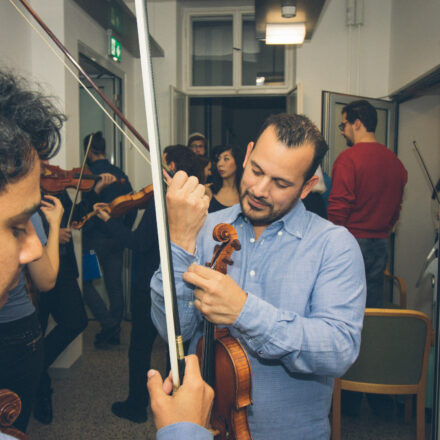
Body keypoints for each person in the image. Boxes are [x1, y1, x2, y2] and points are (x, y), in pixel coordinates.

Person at [151, 113, 366, 439]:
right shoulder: (205, 226)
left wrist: (244, 311)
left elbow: (339, 349)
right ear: (248, 153)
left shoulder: (334, 246)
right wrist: (179, 244)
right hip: (205, 427)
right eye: (256, 170)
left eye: (281, 183)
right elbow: (176, 333)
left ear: (307, 186)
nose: (260, 190)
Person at [92, 146, 204, 423]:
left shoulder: (163, 201)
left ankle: (136, 405)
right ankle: (177, 406)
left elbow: (139, 243)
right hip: (183, 282)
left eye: (164, 164)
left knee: (140, 345)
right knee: (176, 346)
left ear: (173, 165)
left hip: (151, 282)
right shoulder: (197, 197)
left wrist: (109, 222)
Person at [0, 70, 65, 432]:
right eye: (14, 227)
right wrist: (52, 227)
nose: (28, 251)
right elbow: (47, 279)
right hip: (18, 334)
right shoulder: (37, 216)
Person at [33, 165, 116, 425]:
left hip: (64, 270)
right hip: (34, 274)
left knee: (76, 320)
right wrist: (51, 238)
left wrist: (94, 195)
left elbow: (73, 218)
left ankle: (34, 366)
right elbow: (19, 232)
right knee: (35, 331)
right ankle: (41, 393)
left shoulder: (57, 189)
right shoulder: (22, 192)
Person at [328, 100, 408, 308]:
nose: (342, 131)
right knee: (373, 305)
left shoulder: (348, 159)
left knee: (345, 303)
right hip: (381, 242)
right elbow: (395, 209)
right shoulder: (395, 162)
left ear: (357, 124)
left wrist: (333, 242)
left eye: (343, 125)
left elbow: (338, 208)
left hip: (352, 241)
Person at [81, 131, 136, 348]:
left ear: (89, 151)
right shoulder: (119, 173)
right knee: (114, 286)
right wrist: (122, 230)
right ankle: (114, 329)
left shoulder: (89, 174)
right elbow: (132, 206)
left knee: (84, 283)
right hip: (116, 238)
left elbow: (83, 208)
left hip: (93, 241)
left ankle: (109, 324)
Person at [208, 145, 244, 213]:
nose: (220, 164)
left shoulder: (246, 193)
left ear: (237, 162)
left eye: (226, 159)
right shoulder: (208, 191)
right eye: (218, 159)